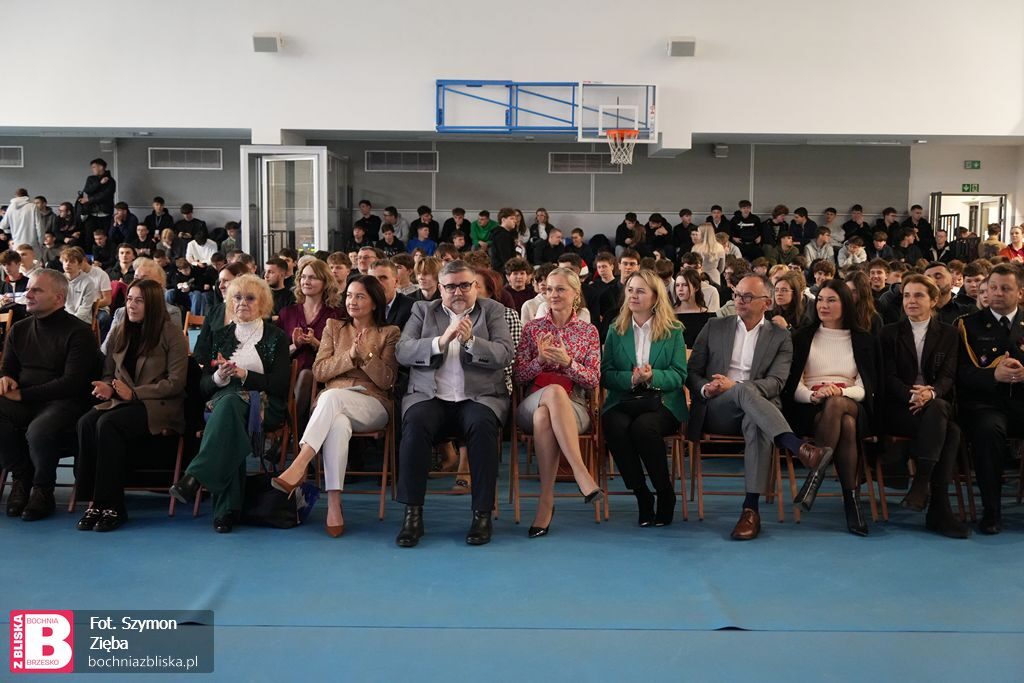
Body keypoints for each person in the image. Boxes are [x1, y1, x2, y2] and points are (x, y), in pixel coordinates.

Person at [687, 273, 833, 540]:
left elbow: (776, 382)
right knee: (746, 396)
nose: (739, 301)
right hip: (718, 408)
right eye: (737, 295)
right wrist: (706, 388)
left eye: (747, 296)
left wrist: (738, 387)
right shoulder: (714, 326)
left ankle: (750, 511)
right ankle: (796, 446)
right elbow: (693, 372)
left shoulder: (780, 336)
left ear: (767, 303)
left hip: (758, 410)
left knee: (754, 417)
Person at [393, 260, 514, 547]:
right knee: (415, 423)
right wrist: (439, 341)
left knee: (482, 426)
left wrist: (471, 341)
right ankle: (412, 515)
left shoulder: (492, 310)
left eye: (464, 285)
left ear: (475, 286)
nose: (458, 291)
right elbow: (403, 351)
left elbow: (505, 353)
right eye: (450, 287)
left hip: (479, 397)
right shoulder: (422, 310)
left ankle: (482, 515)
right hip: (430, 396)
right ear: (440, 288)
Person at [271, 276, 399, 536]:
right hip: (334, 406)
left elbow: (387, 380)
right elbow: (319, 371)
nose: (352, 301)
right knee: (337, 423)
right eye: (349, 295)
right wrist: (349, 356)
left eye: (360, 296)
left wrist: (366, 356)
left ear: (375, 302)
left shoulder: (389, 332)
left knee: (331, 398)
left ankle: (300, 463)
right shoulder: (334, 327)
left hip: (372, 403)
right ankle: (333, 505)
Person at [168, 275, 291, 533]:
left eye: (250, 298)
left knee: (228, 410)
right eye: (237, 297)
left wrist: (244, 375)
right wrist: (219, 377)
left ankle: (204, 487)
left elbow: (280, 384)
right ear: (229, 301)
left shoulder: (277, 337)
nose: (242, 303)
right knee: (229, 412)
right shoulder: (219, 335)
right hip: (221, 402)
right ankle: (224, 509)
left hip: (263, 403)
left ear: (263, 303)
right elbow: (202, 386)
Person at [74, 280, 188, 532]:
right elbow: (108, 372)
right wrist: (107, 386)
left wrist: (134, 393)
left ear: (153, 304)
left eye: (139, 300)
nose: (131, 305)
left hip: (159, 404)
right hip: (122, 400)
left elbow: (176, 383)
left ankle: (113, 505)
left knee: (108, 423)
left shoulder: (172, 335)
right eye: (129, 299)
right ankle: (94, 501)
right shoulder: (119, 331)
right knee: (86, 422)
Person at [784, 280, 881, 536]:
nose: (823, 305)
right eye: (820, 300)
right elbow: (793, 384)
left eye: (831, 300)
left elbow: (864, 387)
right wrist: (813, 396)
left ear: (845, 304)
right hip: (811, 407)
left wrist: (839, 392)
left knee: (838, 405)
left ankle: (814, 478)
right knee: (846, 425)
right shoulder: (801, 337)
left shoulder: (863, 339)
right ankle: (852, 503)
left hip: (852, 401)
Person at [0, 269, 99, 520]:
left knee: (39, 430)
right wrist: (6, 378)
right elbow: (7, 367)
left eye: (37, 290)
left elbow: (72, 383)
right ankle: (22, 478)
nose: (28, 294)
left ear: (59, 298)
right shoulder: (19, 329)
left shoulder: (79, 332)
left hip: (64, 401)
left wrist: (23, 395)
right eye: (29, 289)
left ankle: (43, 490)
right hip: (26, 400)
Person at [878, 274, 969, 538]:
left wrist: (931, 393)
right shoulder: (889, 333)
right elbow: (888, 377)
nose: (911, 301)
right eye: (906, 295)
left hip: (934, 404)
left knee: (939, 408)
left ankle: (921, 486)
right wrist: (913, 396)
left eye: (918, 295)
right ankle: (938, 508)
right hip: (900, 408)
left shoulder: (949, 333)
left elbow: (948, 375)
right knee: (951, 431)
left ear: (934, 300)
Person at [513, 267, 602, 536]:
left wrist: (568, 363)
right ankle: (580, 472)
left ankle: (545, 502)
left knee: (545, 416)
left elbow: (593, 380)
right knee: (551, 394)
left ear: (576, 293)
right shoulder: (532, 328)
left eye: (561, 289)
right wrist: (540, 361)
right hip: (533, 399)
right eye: (549, 289)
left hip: (574, 405)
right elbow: (518, 376)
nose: (553, 294)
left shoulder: (588, 332)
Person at [601, 269, 688, 527]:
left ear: (655, 297)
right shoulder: (616, 329)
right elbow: (606, 374)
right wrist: (631, 378)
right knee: (613, 424)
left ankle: (664, 492)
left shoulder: (673, 330)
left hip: (662, 401)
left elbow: (679, 375)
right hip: (625, 398)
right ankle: (642, 495)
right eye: (630, 290)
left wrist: (652, 377)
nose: (633, 296)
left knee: (644, 427)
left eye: (640, 291)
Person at [956, 264, 1024, 534]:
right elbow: (960, 373)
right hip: (986, 404)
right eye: (993, 287)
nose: (997, 293)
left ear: (1019, 292)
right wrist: (993, 375)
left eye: (1005, 288)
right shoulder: (968, 325)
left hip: (1021, 401)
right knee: (988, 431)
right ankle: (991, 511)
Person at [277, 258, 342, 432]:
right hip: (289, 373)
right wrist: (295, 345)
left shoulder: (336, 315)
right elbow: (277, 353)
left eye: (312, 277)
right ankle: (295, 434)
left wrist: (316, 344)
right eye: (303, 277)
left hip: (324, 374)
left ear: (325, 282)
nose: (306, 281)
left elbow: (340, 353)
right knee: (303, 374)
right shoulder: (287, 313)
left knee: (307, 374)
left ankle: (290, 432)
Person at [673, 269, 713, 349]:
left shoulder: (708, 316)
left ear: (696, 287)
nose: (680, 289)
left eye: (685, 285)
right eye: (677, 285)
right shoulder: (670, 315)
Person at [78, 158, 117, 238]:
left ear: (101, 167)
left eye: (94, 167)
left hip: (105, 213)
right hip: (91, 212)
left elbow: (105, 196)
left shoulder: (111, 181)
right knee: (89, 236)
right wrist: (99, 183)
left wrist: (89, 199)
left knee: (104, 236)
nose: (92, 169)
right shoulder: (90, 178)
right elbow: (87, 190)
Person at [0, 189, 42, 256]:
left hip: (17, 244)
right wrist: (40, 243)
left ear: (16, 196)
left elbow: (3, 225)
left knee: (18, 262)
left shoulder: (11, 207)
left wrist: (9, 231)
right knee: (33, 262)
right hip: (32, 244)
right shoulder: (33, 207)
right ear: (27, 196)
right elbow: (39, 227)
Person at [844, 270, 884, 335]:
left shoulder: (874, 319)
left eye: (854, 291)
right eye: (847, 290)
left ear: (863, 292)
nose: (849, 294)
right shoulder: (838, 314)